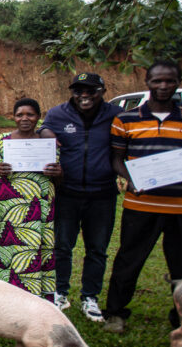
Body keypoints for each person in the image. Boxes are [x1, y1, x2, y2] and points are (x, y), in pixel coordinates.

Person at [104, 60, 182, 333]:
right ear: (147, 83)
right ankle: (116, 313)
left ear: (178, 82)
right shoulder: (126, 120)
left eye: (169, 81)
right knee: (129, 258)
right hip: (142, 204)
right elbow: (117, 159)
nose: (163, 86)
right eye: (157, 81)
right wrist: (131, 178)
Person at [41, 73, 124, 320]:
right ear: (72, 92)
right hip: (67, 193)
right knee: (62, 246)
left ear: (103, 90)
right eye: (79, 91)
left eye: (91, 90)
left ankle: (90, 297)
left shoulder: (115, 114)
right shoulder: (58, 113)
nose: (84, 96)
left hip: (103, 194)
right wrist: (46, 134)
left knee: (97, 249)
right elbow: (44, 127)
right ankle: (60, 293)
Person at [0, 99, 62, 300]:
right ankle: (5, 297)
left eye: (30, 114)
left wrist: (57, 172)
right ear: (13, 117)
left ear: (38, 117)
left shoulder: (48, 144)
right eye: (20, 114)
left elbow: (59, 177)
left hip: (40, 206)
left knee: (39, 247)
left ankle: (39, 297)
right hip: (6, 208)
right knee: (6, 249)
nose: (25, 118)